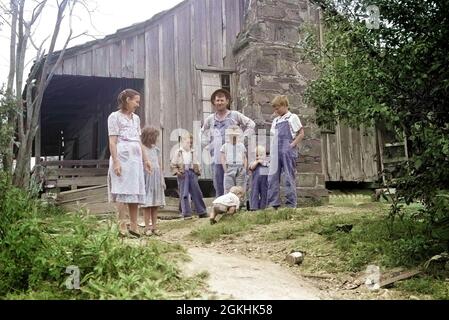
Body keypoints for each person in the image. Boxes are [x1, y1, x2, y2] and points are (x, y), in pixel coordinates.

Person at [107, 89, 152, 238]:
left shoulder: (136, 119)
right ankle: (121, 224)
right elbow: (112, 142)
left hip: (135, 159)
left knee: (135, 191)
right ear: (127, 100)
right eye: (136, 101)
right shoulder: (114, 117)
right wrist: (116, 162)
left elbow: (139, 140)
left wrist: (146, 159)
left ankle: (134, 225)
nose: (138, 105)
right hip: (122, 156)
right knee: (122, 190)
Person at [201, 89, 255, 197]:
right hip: (217, 157)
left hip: (234, 157)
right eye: (217, 100)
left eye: (222, 100)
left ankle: (236, 206)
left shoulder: (234, 115)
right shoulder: (210, 119)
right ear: (214, 102)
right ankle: (221, 206)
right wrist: (207, 146)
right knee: (218, 183)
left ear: (227, 101)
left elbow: (251, 124)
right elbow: (202, 133)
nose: (219, 103)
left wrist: (241, 139)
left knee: (236, 182)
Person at [267, 95, 304, 209]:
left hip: (287, 150)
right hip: (275, 150)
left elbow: (301, 133)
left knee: (288, 176)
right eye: (275, 108)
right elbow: (273, 137)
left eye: (277, 108)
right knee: (272, 177)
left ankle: (290, 205)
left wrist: (291, 145)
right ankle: (274, 204)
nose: (276, 111)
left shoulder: (292, 117)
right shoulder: (276, 120)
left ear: (284, 106)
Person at [170, 132, 207, 220]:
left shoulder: (193, 152)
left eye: (190, 142)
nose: (189, 144)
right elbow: (173, 164)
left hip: (192, 173)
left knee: (197, 192)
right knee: (184, 194)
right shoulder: (178, 152)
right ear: (182, 142)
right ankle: (186, 213)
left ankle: (201, 211)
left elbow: (197, 163)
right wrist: (177, 172)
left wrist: (197, 171)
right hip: (183, 173)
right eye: (187, 142)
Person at [140, 126, 166, 236]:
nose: (157, 139)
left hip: (156, 179)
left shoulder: (156, 149)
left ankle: (155, 227)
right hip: (147, 178)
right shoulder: (142, 149)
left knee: (155, 204)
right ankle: (147, 227)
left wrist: (162, 179)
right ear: (150, 137)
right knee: (147, 204)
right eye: (155, 137)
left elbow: (159, 165)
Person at [221, 125, 247, 194]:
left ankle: (240, 203)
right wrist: (225, 169)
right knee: (228, 187)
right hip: (229, 167)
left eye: (235, 136)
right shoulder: (225, 146)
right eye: (232, 136)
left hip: (239, 167)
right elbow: (222, 158)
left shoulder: (241, 146)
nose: (234, 137)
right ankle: (229, 202)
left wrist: (244, 168)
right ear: (229, 136)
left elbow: (244, 157)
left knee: (240, 187)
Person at [249, 145, 269, 211]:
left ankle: (263, 206)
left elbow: (268, 166)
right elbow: (251, 167)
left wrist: (262, 162)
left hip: (264, 180)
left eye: (260, 155)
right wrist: (257, 162)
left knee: (264, 192)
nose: (258, 157)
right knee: (254, 192)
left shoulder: (266, 162)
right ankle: (254, 207)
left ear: (264, 155)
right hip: (256, 181)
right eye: (256, 155)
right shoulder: (254, 162)